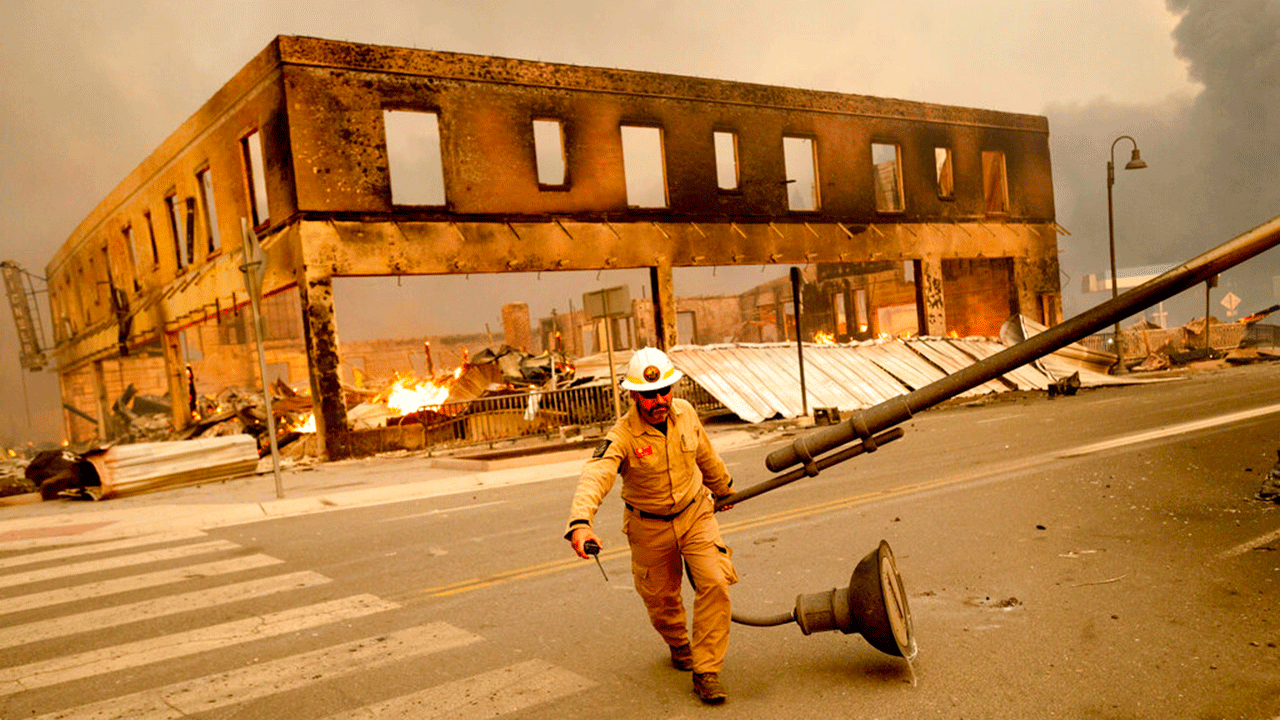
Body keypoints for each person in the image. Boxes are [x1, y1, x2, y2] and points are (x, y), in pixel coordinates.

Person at [565, 346, 738, 704]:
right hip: (649, 526)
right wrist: (581, 523)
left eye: (664, 391)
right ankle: (679, 644)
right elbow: (595, 475)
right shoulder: (622, 436)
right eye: (648, 395)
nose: (659, 399)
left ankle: (706, 671)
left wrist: (723, 488)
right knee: (661, 600)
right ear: (633, 395)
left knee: (716, 582)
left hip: (695, 515)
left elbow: (705, 454)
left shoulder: (686, 413)